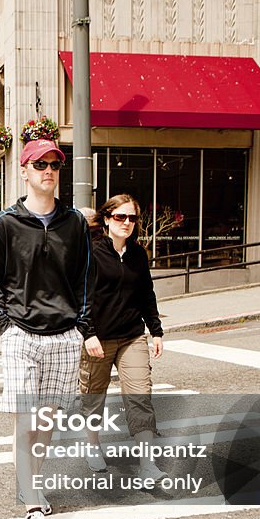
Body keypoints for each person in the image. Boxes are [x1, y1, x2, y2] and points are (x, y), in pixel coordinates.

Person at [0, 138, 93, 519]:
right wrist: (4, 326)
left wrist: (80, 326)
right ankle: (33, 512)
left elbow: (85, 278)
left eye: (55, 165)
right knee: (26, 422)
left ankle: (32, 487)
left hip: (64, 335)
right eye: (39, 164)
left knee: (46, 425)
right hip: (20, 335)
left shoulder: (75, 223)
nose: (48, 170)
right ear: (23, 171)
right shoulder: (4, 224)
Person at [79, 194, 165, 480]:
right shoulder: (91, 252)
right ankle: (92, 445)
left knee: (140, 396)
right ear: (106, 219)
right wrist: (88, 333)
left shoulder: (138, 254)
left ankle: (147, 464)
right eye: (120, 217)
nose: (126, 222)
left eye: (131, 218)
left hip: (131, 336)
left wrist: (155, 330)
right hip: (98, 339)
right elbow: (80, 298)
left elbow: (146, 293)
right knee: (93, 397)